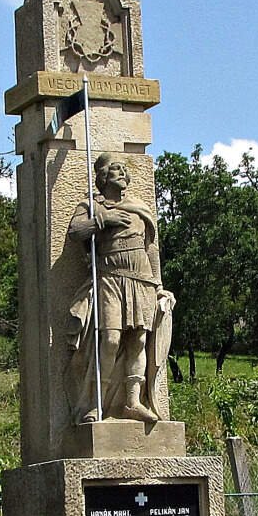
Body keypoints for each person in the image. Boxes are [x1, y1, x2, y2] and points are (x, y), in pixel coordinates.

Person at [66, 151, 171, 423]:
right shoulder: (91, 205)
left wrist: (158, 285)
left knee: (138, 340)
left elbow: (151, 249)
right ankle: (97, 404)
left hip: (141, 280)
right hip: (110, 279)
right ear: (102, 176)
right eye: (116, 168)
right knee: (111, 340)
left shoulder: (138, 207)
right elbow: (75, 232)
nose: (123, 172)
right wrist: (103, 220)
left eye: (125, 168)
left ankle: (133, 402)